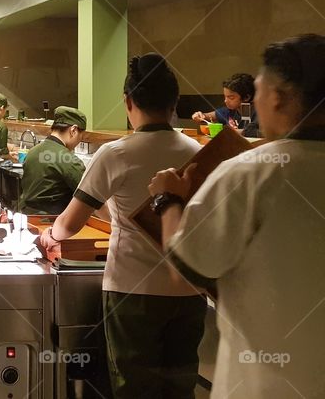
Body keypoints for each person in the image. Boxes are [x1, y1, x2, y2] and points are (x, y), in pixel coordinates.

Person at [148, 34, 325, 398]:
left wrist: (168, 199)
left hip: (261, 386)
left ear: (276, 97)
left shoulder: (251, 173)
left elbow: (185, 274)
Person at [36, 53, 205, 398]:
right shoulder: (196, 150)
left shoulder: (117, 153)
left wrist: (48, 235)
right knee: (180, 386)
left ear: (128, 101)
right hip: (189, 291)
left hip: (133, 291)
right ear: (174, 104)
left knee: (134, 386)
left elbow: (69, 224)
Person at [17, 106, 87, 215]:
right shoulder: (68, 159)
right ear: (73, 130)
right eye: (81, 137)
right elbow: (88, 197)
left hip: (25, 216)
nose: (79, 141)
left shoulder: (33, 151)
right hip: (50, 223)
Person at [191, 72, 257, 131]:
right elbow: (207, 116)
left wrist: (242, 133)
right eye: (225, 96)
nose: (225, 101)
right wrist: (200, 115)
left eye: (231, 97)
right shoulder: (229, 111)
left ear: (246, 97)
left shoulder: (260, 114)